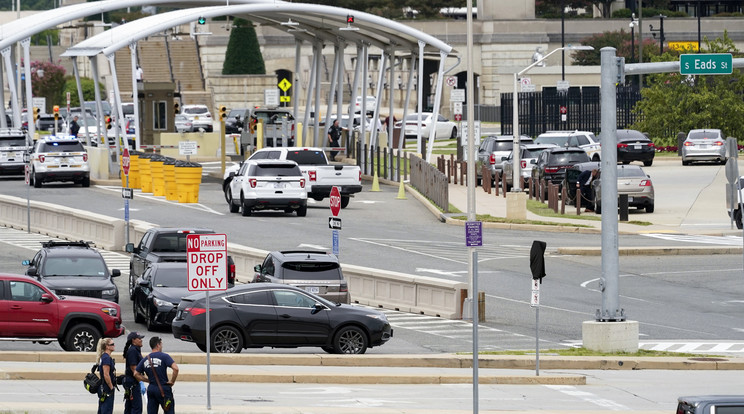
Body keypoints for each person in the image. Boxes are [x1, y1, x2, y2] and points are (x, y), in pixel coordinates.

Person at [135, 336, 179, 414]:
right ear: (158, 345)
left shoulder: (145, 359)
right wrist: (172, 381)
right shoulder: (164, 356)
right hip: (163, 388)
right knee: (169, 410)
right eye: (161, 345)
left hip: (151, 388)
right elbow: (175, 369)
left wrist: (148, 380)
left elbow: (136, 374)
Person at [123, 332, 145, 414]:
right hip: (132, 382)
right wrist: (141, 381)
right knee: (136, 408)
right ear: (133, 340)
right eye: (139, 338)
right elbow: (134, 369)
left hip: (132, 381)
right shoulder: (133, 351)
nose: (141, 340)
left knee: (129, 407)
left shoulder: (136, 350)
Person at [95, 338, 117, 414]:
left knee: (102, 409)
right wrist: (111, 387)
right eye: (112, 344)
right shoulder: (106, 358)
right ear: (107, 346)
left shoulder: (104, 357)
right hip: (107, 388)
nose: (114, 346)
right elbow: (106, 374)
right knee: (107, 410)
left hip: (103, 387)